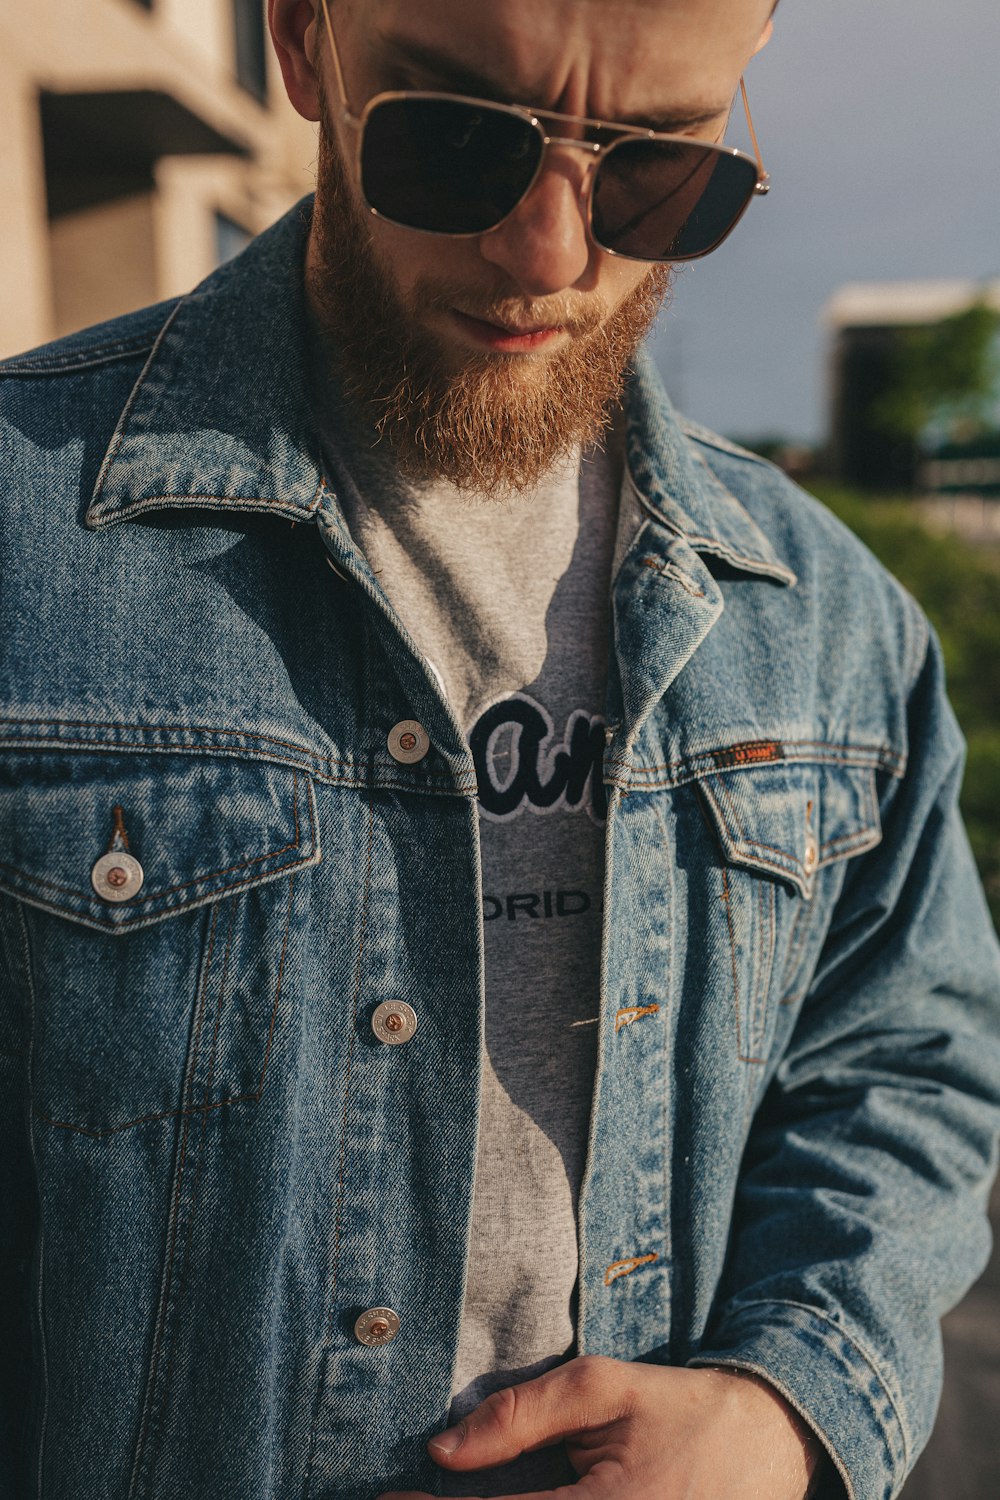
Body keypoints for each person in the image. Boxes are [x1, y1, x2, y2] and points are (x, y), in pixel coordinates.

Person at [1, 1, 998, 1497]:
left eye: (660, 170)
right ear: (303, 46)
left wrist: (786, 1410)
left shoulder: (834, 630)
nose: (549, 251)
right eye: (457, 137)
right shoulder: (27, 545)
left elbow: (904, 1061)